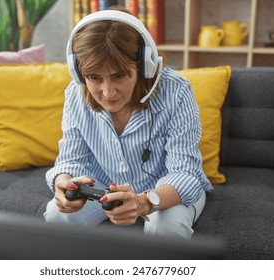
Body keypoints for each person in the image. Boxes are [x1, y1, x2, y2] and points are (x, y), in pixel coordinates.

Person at [44, 7, 212, 239]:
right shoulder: (75, 93)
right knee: (56, 216)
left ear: (144, 65)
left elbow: (185, 173)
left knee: (166, 229)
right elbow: (72, 160)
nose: (107, 92)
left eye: (118, 76)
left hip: (163, 190)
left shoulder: (176, 91)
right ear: (79, 73)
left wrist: (145, 202)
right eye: (94, 77)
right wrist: (63, 183)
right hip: (104, 184)